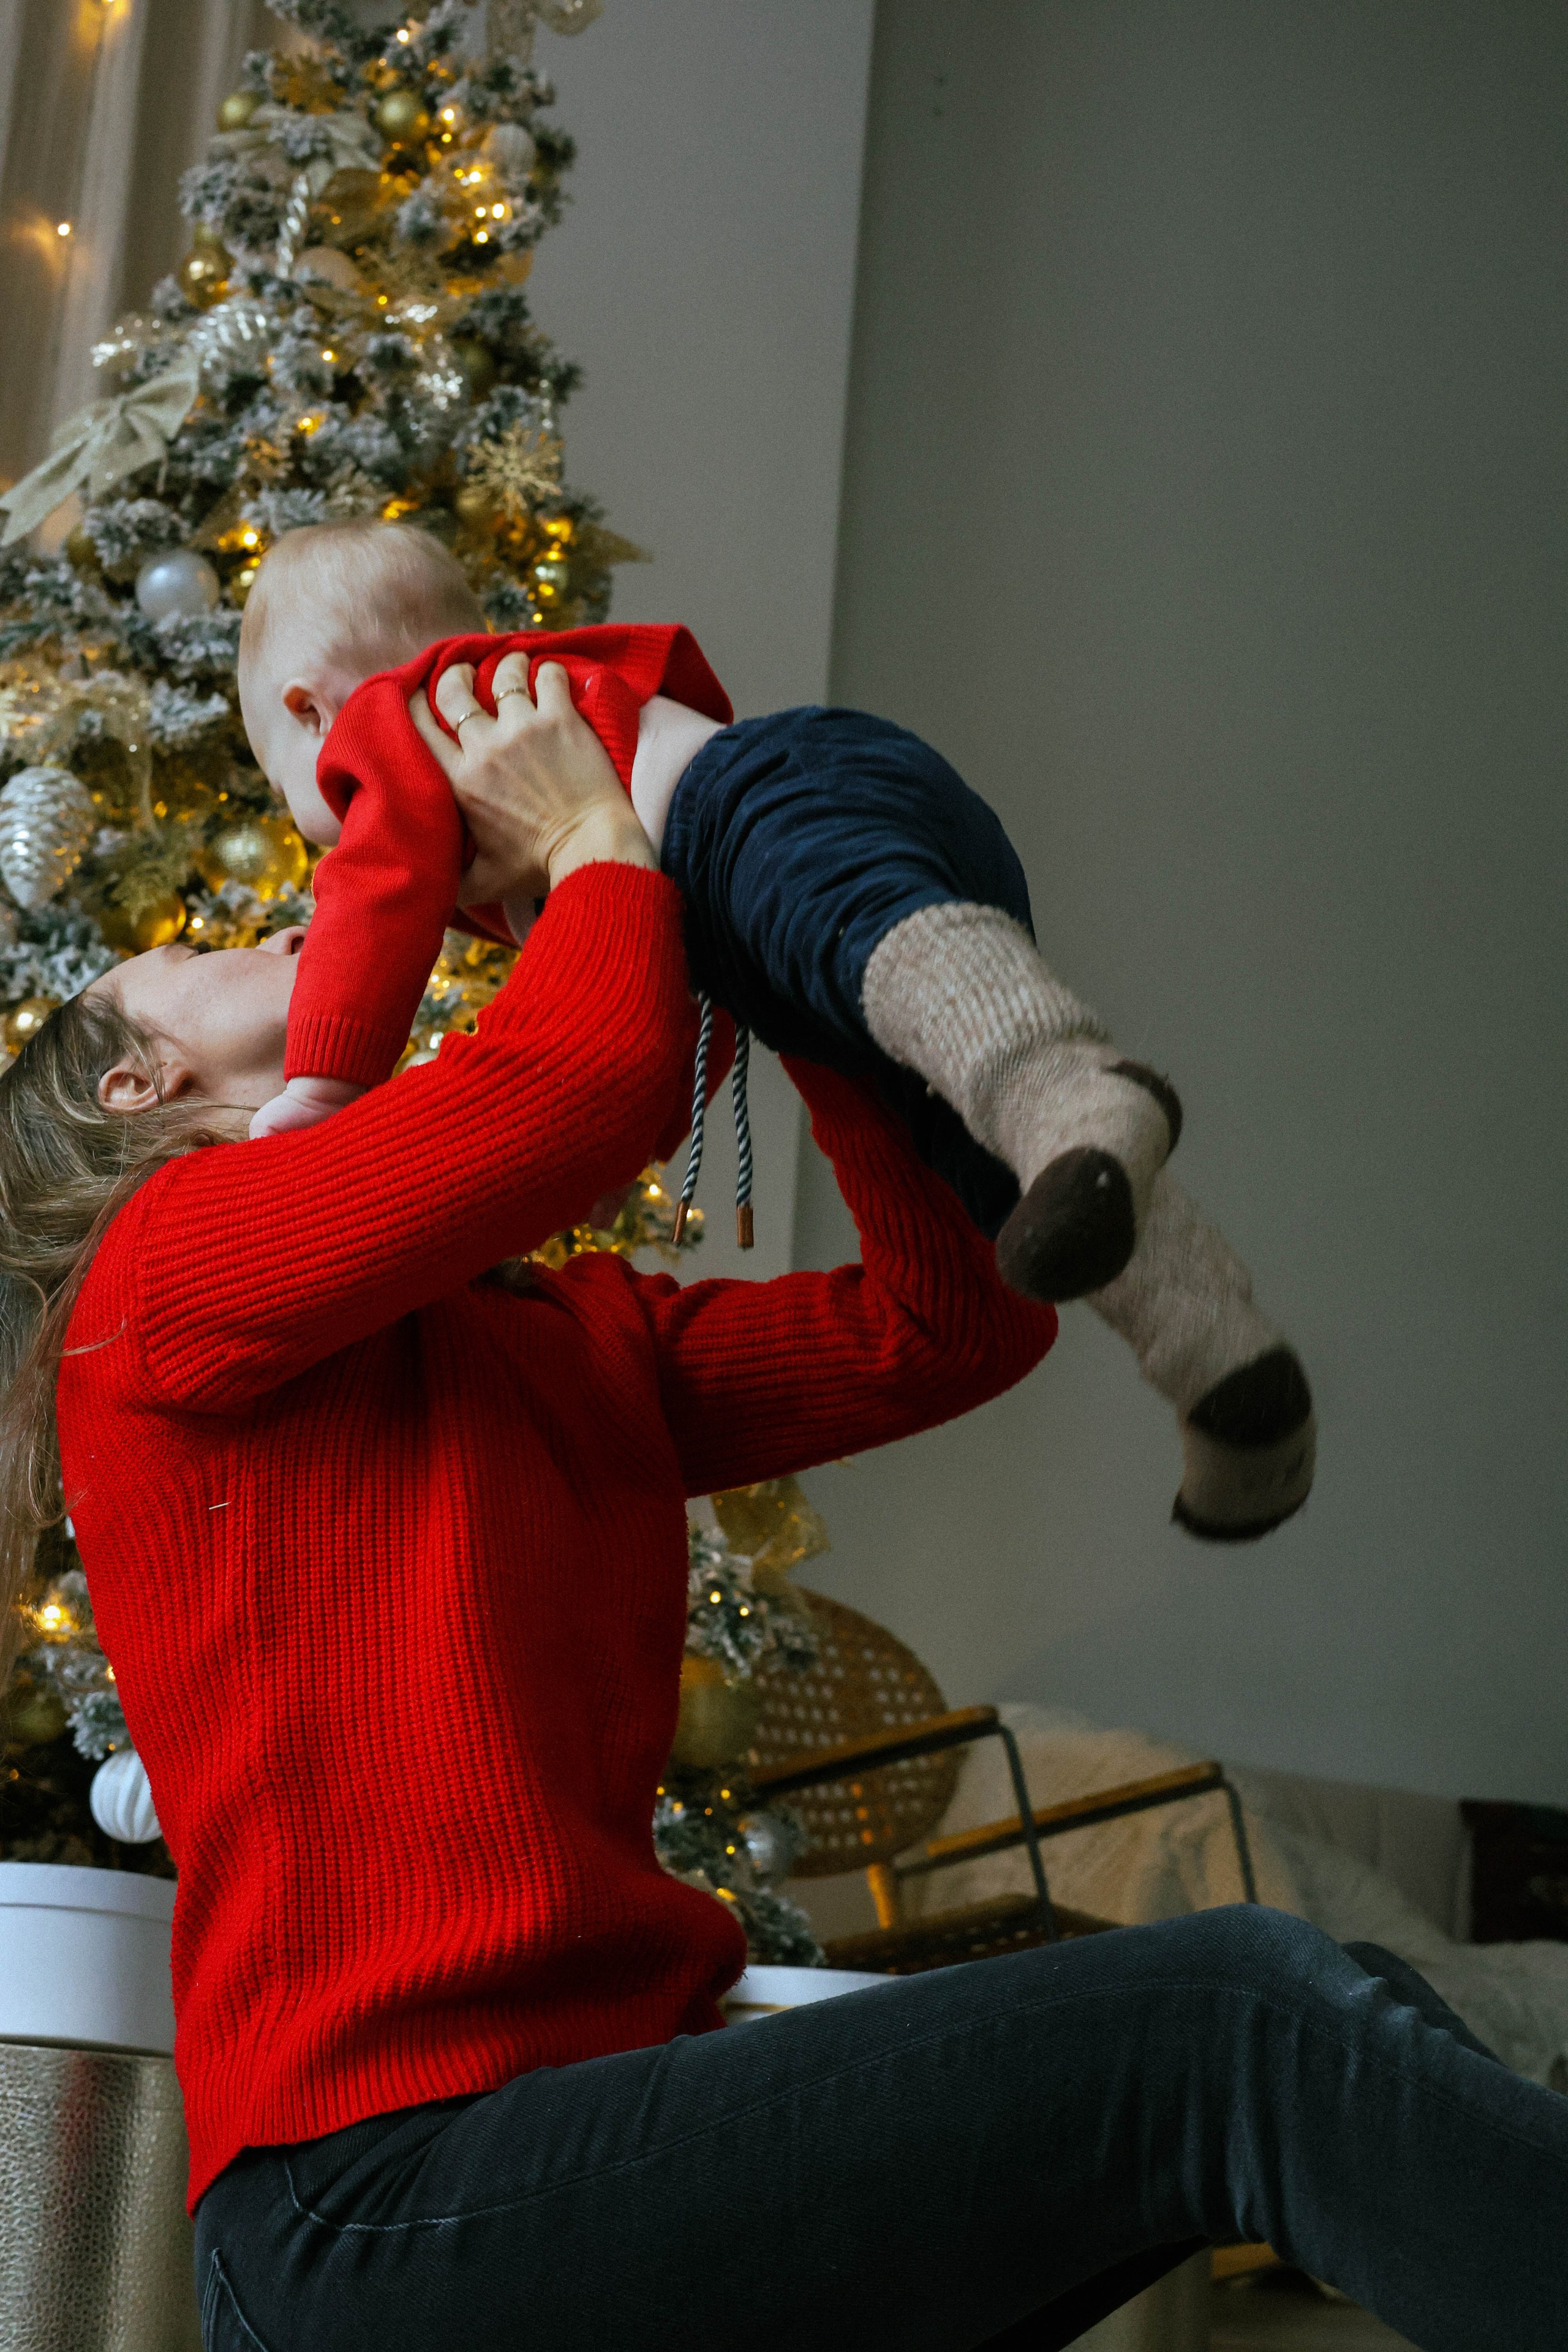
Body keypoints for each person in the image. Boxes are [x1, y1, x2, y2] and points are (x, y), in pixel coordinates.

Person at [0, 674, 1561, 2352]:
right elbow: (589, 1080)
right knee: (1235, 2022)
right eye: (196, 952)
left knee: (1347, 2007)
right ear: (135, 1085)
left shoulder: (561, 1337)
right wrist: (595, 834)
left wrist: (807, 977)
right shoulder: (155, 1283)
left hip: (577, 2139)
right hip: (378, 2197)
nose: (272, 929)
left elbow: (952, 1328)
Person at [236, 521, 1314, 1541]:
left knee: (936, 1003)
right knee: (992, 1172)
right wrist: (627, 1144)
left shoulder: (396, 719)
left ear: (310, 710)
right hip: (814, 866)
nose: (325, 829)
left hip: (760, 807)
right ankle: (1224, 1370)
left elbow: (372, 904)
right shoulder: (523, 753)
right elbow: (675, 991)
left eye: (293, 796)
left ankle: (1069, 1082)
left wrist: (327, 1084)